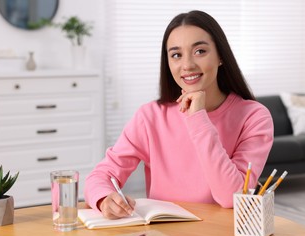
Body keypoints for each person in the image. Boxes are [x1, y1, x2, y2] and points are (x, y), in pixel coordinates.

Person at [85, 10, 274, 219]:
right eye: (176, 55)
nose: (187, 65)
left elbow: (232, 196)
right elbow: (101, 176)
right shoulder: (151, 116)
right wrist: (104, 199)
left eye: (200, 51)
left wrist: (198, 119)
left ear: (221, 55)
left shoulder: (254, 117)